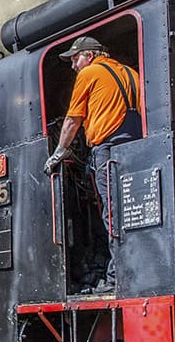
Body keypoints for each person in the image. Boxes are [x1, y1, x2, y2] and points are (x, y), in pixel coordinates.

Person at [42, 36, 142, 294]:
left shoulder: (89, 74)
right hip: (136, 149)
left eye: (75, 59)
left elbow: (73, 119)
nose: (74, 66)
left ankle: (117, 277)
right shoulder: (131, 74)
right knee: (130, 213)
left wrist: (59, 152)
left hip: (108, 149)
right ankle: (132, 269)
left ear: (89, 54)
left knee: (112, 213)